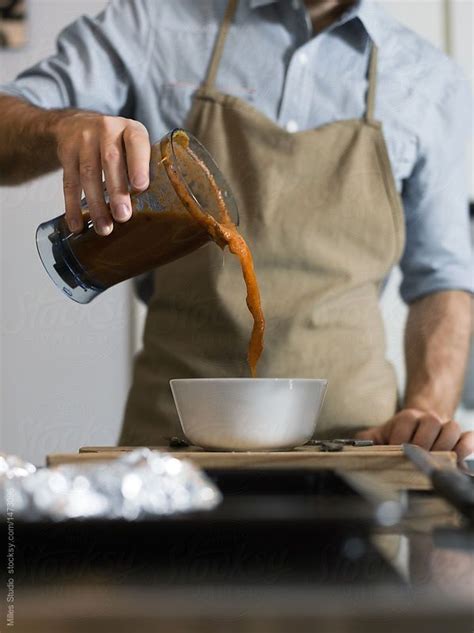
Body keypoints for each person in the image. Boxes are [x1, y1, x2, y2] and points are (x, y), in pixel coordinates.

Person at [0, 0, 473, 460]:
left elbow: (443, 282)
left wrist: (423, 416)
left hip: (355, 449)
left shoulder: (430, 81)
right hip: (172, 449)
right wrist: (63, 125)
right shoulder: (150, 24)